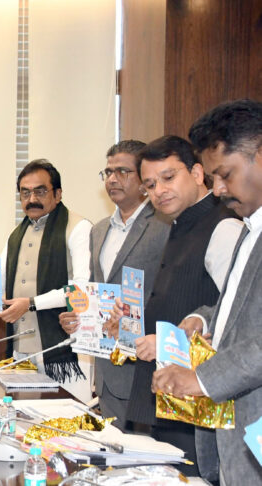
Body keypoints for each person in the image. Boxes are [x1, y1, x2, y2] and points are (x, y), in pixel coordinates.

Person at [152, 99, 262, 484]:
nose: (216, 189)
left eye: (225, 174)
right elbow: (242, 307)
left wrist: (201, 379)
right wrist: (205, 317)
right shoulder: (251, 227)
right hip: (237, 441)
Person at [122, 135, 242, 477]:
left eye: (169, 177)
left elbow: (233, 318)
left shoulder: (223, 227)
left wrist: (176, 340)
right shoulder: (178, 225)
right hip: (170, 398)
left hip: (199, 403)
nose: (159, 190)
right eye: (150, 184)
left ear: (198, 173)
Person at [0, 160, 93, 400]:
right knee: (25, 423)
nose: (32, 199)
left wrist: (30, 303)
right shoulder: (17, 234)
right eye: (25, 193)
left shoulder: (78, 228)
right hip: (22, 347)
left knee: (68, 422)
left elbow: (82, 288)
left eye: (40, 191)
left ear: (57, 194)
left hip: (65, 350)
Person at [59, 140, 170, 431]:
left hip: (147, 366)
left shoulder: (165, 225)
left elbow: (170, 294)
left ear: (145, 180)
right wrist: (78, 317)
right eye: (107, 172)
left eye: (122, 171)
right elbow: (97, 292)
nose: (112, 179)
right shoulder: (99, 230)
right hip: (107, 366)